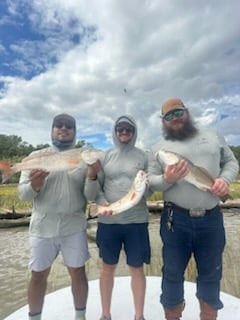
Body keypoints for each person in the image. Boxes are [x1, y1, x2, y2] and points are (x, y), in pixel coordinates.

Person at [148, 98, 239, 320]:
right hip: (174, 221)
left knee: (211, 277)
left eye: (178, 112)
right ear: (163, 121)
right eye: (169, 116)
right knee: (171, 276)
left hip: (211, 220)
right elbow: (151, 181)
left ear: (186, 112)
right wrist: (167, 179)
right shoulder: (158, 148)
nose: (175, 118)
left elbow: (231, 162)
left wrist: (225, 181)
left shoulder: (213, 135)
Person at [18, 113, 100, 320]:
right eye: (59, 125)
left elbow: (90, 196)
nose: (63, 129)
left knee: (78, 273)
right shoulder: (36, 157)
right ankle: (34, 318)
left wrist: (92, 175)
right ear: (52, 129)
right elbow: (23, 195)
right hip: (42, 227)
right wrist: (35, 184)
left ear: (74, 132)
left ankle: (80, 317)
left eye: (69, 127)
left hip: (74, 227)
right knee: (38, 276)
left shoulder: (83, 158)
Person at [95, 115, 152, 320]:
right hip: (108, 222)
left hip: (136, 222)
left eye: (128, 129)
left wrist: (146, 187)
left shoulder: (144, 157)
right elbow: (96, 187)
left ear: (134, 131)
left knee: (137, 268)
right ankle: (105, 314)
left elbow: (149, 192)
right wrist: (101, 203)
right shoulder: (105, 156)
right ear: (115, 131)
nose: (124, 132)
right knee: (107, 267)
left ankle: (139, 316)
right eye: (120, 129)